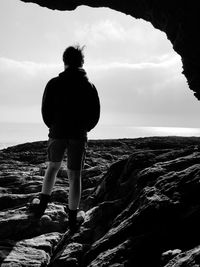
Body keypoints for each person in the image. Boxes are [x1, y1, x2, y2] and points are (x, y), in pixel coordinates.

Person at [30, 45, 100, 232]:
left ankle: (42, 205)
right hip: (78, 134)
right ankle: (72, 219)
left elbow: (45, 111)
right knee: (74, 175)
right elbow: (95, 114)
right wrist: (84, 128)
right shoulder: (89, 85)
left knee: (52, 167)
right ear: (82, 62)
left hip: (57, 132)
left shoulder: (53, 83)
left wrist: (54, 126)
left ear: (64, 62)